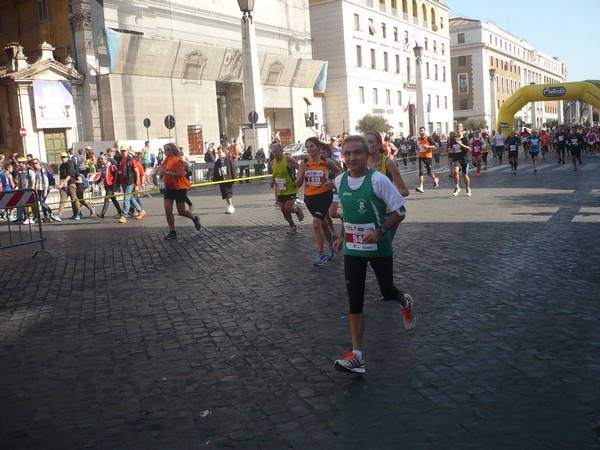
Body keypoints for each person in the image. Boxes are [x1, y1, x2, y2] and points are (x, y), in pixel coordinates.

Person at [332, 135, 416, 375]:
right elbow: (346, 214)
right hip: (353, 248)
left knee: (387, 291)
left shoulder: (378, 180)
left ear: (366, 154)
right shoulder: (339, 181)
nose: (351, 158)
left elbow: (400, 211)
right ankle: (357, 355)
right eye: (347, 154)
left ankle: (405, 301)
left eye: (357, 153)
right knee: (354, 299)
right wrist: (340, 236)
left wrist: (380, 231)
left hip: (378, 247)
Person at [294, 137, 342, 266]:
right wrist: (302, 173)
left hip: (324, 196)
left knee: (316, 224)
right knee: (323, 224)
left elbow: (340, 172)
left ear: (317, 147)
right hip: (309, 198)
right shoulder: (303, 164)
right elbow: (297, 185)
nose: (309, 149)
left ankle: (320, 254)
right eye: (307, 147)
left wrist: (333, 183)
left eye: (312, 146)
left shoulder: (326, 162)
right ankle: (332, 246)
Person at [365, 131, 409, 239]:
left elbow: (404, 190)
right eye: (364, 142)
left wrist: (384, 195)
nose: (367, 145)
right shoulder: (361, 163)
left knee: (383, 245)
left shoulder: (388, 163)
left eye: (370, 142)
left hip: (388, 214)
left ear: (379, 144)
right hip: (368, 212)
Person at [160, 143, 201, 240]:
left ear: (173, 150)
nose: (166, 152)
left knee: (181, 211)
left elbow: (180, 174)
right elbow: (162, 172)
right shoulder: (165, 160)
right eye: (165, 150)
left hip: (179, 187)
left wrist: (167, 173)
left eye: (168, 149)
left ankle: (194, 218)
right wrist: (161, 180)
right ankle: (172, 231)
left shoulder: (177, 161)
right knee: (167, 209)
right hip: (169, 188)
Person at [269, 142, 304, 233]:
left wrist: (297, 180)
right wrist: (272, 181)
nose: (275, 154)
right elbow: (274, 173)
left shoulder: (288, 159)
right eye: (273, 152)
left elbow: (300, 168)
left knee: (288, 208)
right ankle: (292, 225)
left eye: (276, 152)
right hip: (281, 189)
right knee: (283, 210)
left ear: (281, 151)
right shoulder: (273, 162)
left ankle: (297, 209)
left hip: (291, 188)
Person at [117, 147, 146, 223]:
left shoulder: (131, 160)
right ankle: (141, 210)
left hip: (130, 182)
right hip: (123, 182)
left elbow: (137, 171)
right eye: (122, 151)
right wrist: (116, 184)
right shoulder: (119, 160)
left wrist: (137, 181)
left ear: (127, 151)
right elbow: (118, 172)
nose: (123, 152)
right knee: (131, 198)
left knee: (126, 198)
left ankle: (124, 215)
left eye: (125, 151)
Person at [32, 158, 61, 222]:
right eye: (33, 163)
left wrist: (45, 190)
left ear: (39, 163)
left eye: (36, 163)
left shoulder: (43, 170)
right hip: (38, 189)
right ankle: (45, 216)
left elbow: (46, 180)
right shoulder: (36, 171)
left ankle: (51, 213)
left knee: (42, 203)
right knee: (42, 203)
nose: (35, 164)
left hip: (44, 188)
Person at [213, 145, 239, 214]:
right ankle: (229, 206)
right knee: (225, 194)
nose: (219, 154)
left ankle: (231, 206)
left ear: (224, 153)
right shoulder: (217, 162)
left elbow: (233, 169)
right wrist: (215, 181)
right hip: (222, 180)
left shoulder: (229, 159)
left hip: (228, 179)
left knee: (228, 194)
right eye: (218, 153)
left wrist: (235, 179)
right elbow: (215, 171)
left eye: (220, 152)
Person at [57, 151, 82, 219]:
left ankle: (78, 213)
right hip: (64, 185)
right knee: (62, 200)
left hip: (70, 184)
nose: (63, 159)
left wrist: (62, 183)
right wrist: (59, 183)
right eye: (62, 157)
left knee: (74, 199)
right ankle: (59, 214)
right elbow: (61, 176)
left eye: (64, 157)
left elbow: (69, 175)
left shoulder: (70, 164)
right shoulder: (61, 166)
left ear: (67, 157)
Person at [448, 126, 472, 196]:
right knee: (455, 171)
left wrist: (461, 144)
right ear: (455, 129)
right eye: (457, 127)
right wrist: (451, 149)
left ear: (462, 129)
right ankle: (457, 187)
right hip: (456, 158)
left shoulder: (465, 138)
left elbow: (469, 149)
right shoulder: (452, 139)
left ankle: (468, 188)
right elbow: (451, 147)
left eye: (460, 127)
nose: (458, 128)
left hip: (464, 158)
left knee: (464, 175)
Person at [97, 154, 122, 218]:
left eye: (102, 160)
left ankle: (102, 213)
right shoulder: (103, 166)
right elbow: (102, 176)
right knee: (113, 199)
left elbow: (116, 175)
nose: (101, 161)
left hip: (111, 184)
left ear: (106, 160)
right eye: (100, 160)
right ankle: (120, 211)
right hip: (106, 185)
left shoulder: (111, 166)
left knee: (106, 198)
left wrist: (116, 184)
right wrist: (97, 183)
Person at [415, 126, 440, 191]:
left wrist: (427, 146)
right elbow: (418, 147)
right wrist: (418, 149)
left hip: (428, 157)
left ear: (425, 131)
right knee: (421, 171)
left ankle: (435, 179)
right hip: (421, 157)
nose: (421, 132)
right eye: (420, 131)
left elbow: (435, 146)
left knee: (429, 172)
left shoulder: (428, 138)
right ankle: (421, 187)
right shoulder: (418, 139)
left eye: (422, 131)